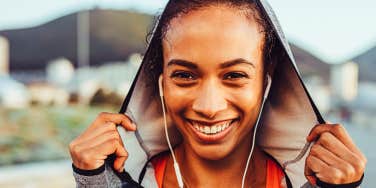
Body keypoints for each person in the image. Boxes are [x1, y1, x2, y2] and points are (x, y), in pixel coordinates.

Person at [69, 0, 366, 187]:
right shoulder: (120, 181)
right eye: (184, 76)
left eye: (235, 75)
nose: (209, 106)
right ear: (161, 85)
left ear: (266, 83)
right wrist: (94, 180)